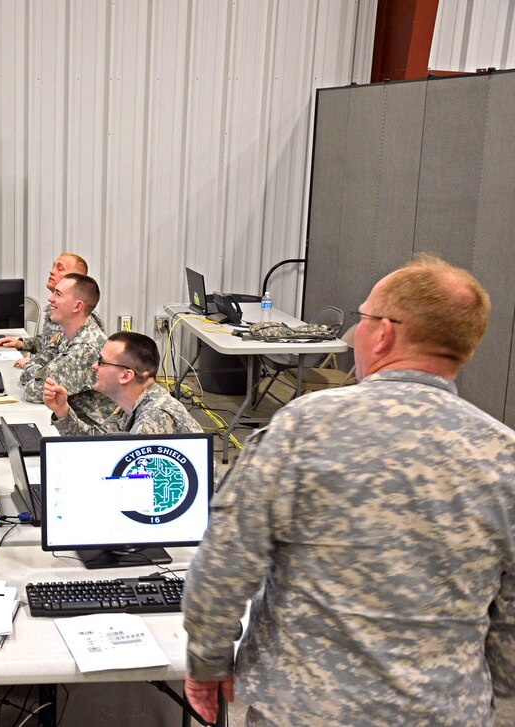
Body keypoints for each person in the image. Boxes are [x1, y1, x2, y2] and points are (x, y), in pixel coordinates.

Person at [182, 254, 515, 726]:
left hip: (306, 710)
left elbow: (224, 565)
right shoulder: (504, 455)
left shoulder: (301, 429)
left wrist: (207, 663)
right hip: (443, 711)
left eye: (361, 318)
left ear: (384, 333)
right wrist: (487, 687)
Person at [42, 331, 203, 436]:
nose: (94, 366)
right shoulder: (132, 403)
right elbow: (97, 443)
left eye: (101, 362)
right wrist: (62, 410)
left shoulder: (154, 418)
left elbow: (139, 482)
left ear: (126, 376)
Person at [21, 273, 115, 426]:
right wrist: (36, 370)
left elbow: (33, 391)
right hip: (70, 423)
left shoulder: (85, 348)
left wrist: (33, 369)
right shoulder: (68, 332)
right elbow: (38, 363)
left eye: (58, 294)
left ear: (77, 306)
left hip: (89, 432)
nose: (50, 299)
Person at [0, 252, 103, 368]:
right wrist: (22, 344)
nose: (51, 271)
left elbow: (62, 362)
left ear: (74, 278)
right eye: (53, 266)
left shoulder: (78, 318)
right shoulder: (58, 309)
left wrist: (32, 363)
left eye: (59, 268)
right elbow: (49, 342)